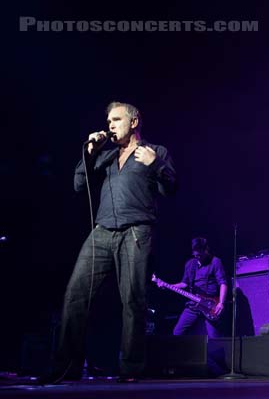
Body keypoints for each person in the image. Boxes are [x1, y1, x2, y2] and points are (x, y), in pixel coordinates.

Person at [41, 102, 177, 384]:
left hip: (136, 232)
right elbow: (79, 185)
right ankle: (66, 366)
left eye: (117, 119)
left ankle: (130, 369)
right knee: (75, 294)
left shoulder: (155, 152)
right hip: (102, 231)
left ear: (134, 121)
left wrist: (158, 165)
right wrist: (89, 154)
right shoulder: (106, 155)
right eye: (109, 120)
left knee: (133, 300)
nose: (111, 125)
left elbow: (171, 188)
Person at [156, 237, 227, 337]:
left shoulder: (215, 262)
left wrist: (221, 303)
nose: (198, 258)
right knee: (177, 333)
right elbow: (184, 283)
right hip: (193, 304)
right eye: (196, 255)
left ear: (206, 250)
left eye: (200, 255)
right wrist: (168, 286)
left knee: (214, 339)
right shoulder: (190, 264)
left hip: (211, 305)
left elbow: (223, 283)